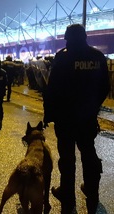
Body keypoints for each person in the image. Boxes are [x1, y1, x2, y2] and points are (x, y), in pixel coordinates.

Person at [43, 24, 110, 214]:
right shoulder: (98, 57)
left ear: (68, 38)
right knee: (88, 154)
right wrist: (93, 107)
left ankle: (67, 196)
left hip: (65, 119)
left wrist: (49, 113)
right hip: (87, 118)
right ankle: (92, 192)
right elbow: (105, 86)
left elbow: (52, 89)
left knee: (67, 158)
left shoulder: (63, 56)